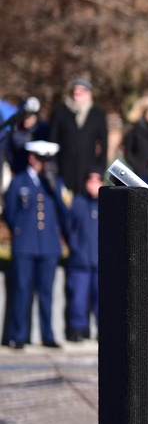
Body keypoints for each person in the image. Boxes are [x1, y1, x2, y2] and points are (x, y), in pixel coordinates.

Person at [3, 141, 70, 349]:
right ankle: (19, 336)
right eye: (43, 160)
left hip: (49, 245)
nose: (46, 164)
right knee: (22, 291)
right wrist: (21, 232)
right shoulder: (19, 181)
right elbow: (10, 213)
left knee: (46, 293)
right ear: (32, 158)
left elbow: (64, 212)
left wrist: (53, 187)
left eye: (49, 160)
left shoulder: (54, 182)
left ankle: (48, 335)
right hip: (25, 245)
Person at [48, 77, 108, 195]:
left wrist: (99, 169)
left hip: (87, 170)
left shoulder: (98, 114)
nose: (77, 93)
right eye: (75, 90)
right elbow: (52, 140)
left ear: (89, 94)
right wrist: (52, 164)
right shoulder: (61, 112)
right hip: (64, 169)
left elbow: (104, 144)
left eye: (81, 90)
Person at [64, 169, 102, 342]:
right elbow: (67, 227)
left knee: (102, 300)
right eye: (90, 180)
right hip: (80, 261)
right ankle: (77, 330)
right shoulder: (77, 202)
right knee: (77, 299)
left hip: (101, 261)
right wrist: (75, 247)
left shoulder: (107, 202)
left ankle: (103, 330)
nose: (93, 184)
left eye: (97, 180)